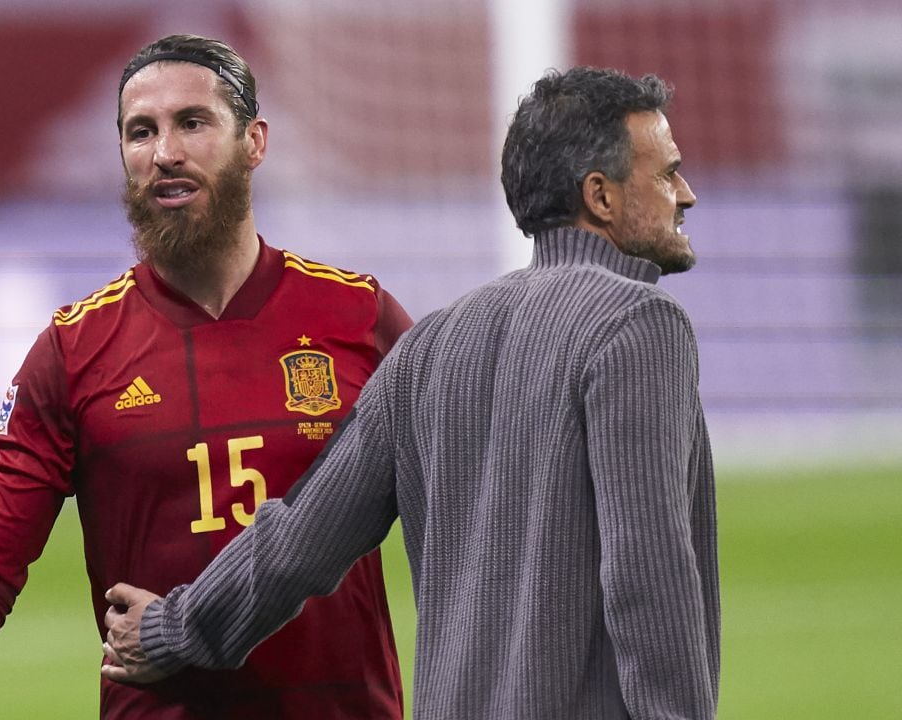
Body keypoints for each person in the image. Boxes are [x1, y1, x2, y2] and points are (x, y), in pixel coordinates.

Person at [100, 67, 721, 719]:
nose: (687, 194)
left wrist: (173, 626)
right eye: (666, 172)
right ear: (600, 195)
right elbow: (647, 576)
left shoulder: (427, 347)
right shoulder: (639, 325)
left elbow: (298, 541)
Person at [0, 34, 410, 720]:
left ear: (254, 142)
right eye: (142, 132)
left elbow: (470, 507)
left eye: (192, 123)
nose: (164, 151)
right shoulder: (74, 350)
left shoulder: (360, 316)